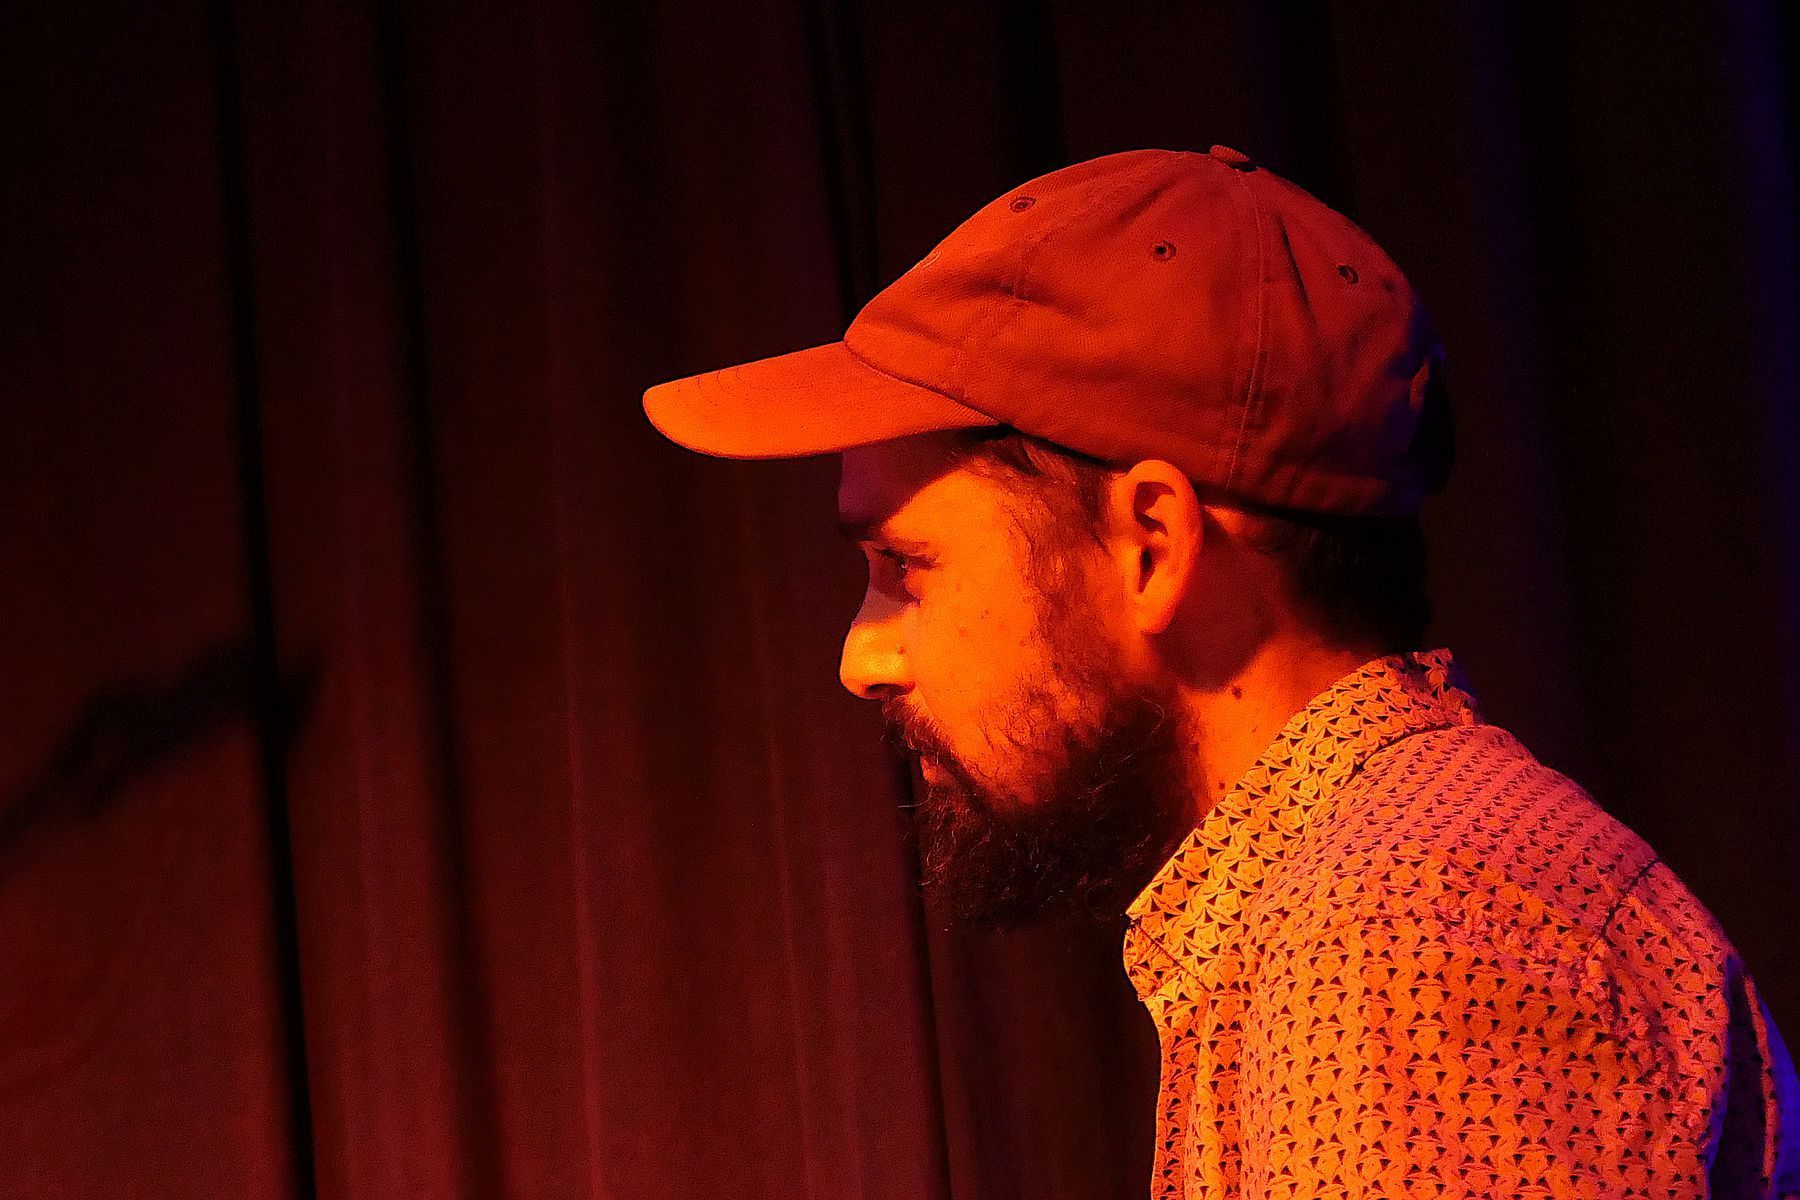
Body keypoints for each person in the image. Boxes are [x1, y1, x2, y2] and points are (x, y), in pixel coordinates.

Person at [642, 146, 1799, 1197]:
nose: (863, 657)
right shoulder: (1365, 899)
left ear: (1151, 542)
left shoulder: (1404, 942)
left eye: (906, 564)